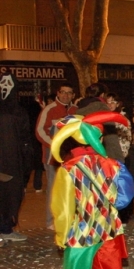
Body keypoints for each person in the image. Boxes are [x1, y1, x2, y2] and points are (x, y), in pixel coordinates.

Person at [49, 111, 134, 269]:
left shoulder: (67, 170)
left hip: (81, 236)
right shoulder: (111, 164)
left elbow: (64, 210)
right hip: (108, 232)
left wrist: (61, 236)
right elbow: (123, 199)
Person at [35, 83, 76, 230]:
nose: (66, 95)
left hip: (72, 157)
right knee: (54, 189)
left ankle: (69, 217)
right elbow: (40, 131)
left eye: (69, 93)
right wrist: (54, 144)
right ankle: (51, 220)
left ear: (73, 95)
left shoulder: (75, 111)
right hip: (52, 158)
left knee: (71, 189)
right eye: (63, 92)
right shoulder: (49, 110)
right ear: (58, 94)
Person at [0, 73, 33, 243]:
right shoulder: (17, 112)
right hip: (12, 162)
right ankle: (5, 229)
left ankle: (5, 228)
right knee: (10, 196)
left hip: (9, 161)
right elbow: (25, 139)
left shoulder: (16, 112)